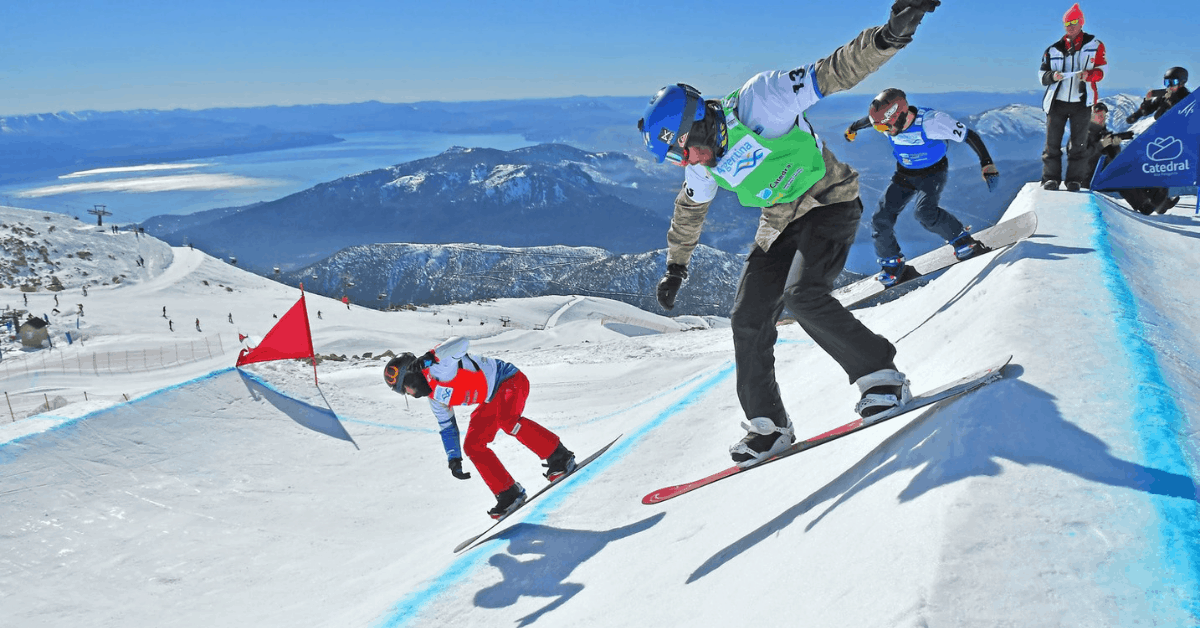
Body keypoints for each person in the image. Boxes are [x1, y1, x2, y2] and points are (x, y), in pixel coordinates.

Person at [636, 0, 940, 466]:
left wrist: (890, 37)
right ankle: (769, 425)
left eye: (684, 152)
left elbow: (833, 71)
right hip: (779, 221)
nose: (687, 164)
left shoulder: (761, 100)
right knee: (747, 316)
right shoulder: (703, 165)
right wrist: (677, 266)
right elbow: (689, 212)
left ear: (696, 124)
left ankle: (881, 377)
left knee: (803, 295)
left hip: (829, 200)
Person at [384, 337, 577, 519]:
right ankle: (508, 492)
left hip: (510, 380)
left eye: (406, 387)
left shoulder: (440, 367)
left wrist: (431, 356)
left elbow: (461, 343)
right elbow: (447, 427)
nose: (410, 394)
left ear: (412, 375)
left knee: (508, 420)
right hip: (492, 398)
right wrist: (454, 459)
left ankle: (559, 455)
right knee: (473, 445)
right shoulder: (434, 399)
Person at [844, 88, 998, 286]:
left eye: (885, 128)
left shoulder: (933, 122)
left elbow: (969, 135)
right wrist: (853, 129)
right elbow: (869, 121)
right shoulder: (887, 122)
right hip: (904, 174)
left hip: (932, 173)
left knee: (925, 212)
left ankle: (961, 239)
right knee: (880, 218)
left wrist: (987, 163)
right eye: (880, 129)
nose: (884, 132)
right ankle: (892, 263)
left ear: (900, 116)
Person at [1039, 3, 1107, 192]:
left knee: (1079, 144)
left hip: (1081, 103)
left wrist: (1089, 76)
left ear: (1082, 22)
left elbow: (1102, 70)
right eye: (1067, 22)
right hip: (1057, 102)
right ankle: (1050, 179)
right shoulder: (1053, 49)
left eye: (1074, 21)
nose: (1070, 25)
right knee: (1052, 143)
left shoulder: (1095, 46)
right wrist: (1052, 76)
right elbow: (1042, 75)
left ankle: (1074, 181)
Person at [1127, 67, 1191, 124]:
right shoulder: (1164, 96)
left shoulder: (1187, 98)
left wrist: (1168, 102)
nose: (1169, 85)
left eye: (1173, 82)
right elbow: (1147, 111)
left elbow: (1158, 116)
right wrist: (1147, 101)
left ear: (1182, 83)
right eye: (1167, 82)